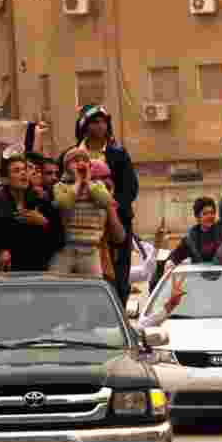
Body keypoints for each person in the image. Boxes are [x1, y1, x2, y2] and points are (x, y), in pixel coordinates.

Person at [72, 105, 140, 304]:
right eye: (95, 121)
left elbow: (130, 189)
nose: (100, 126)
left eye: (103, 121)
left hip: (114, 224)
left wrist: (111, 206)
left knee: (118, 277)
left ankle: (118, 316)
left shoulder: (118, 154)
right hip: (82, 226)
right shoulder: (73, 154)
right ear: (84, 125)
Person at [0, 153, 64, 272]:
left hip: (36, 271)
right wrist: (0, 251)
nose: (23, 173)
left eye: (25, 169)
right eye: (16, 170)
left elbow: (60, 240)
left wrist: (44, 222)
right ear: (5, 179)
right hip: (6, 273)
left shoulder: (41, 202)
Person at [49, 147, 126, 277]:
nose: (80, 163)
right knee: (54, 282)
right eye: (75, 161)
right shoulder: (60, 186)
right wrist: (78, 183)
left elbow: (105, 201)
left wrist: (88, 182)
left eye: (84, 160)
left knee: (93, 286)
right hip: (67, 248)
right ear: (66, 167)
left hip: (91, 250)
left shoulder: (97, 186)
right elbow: (65, 203)